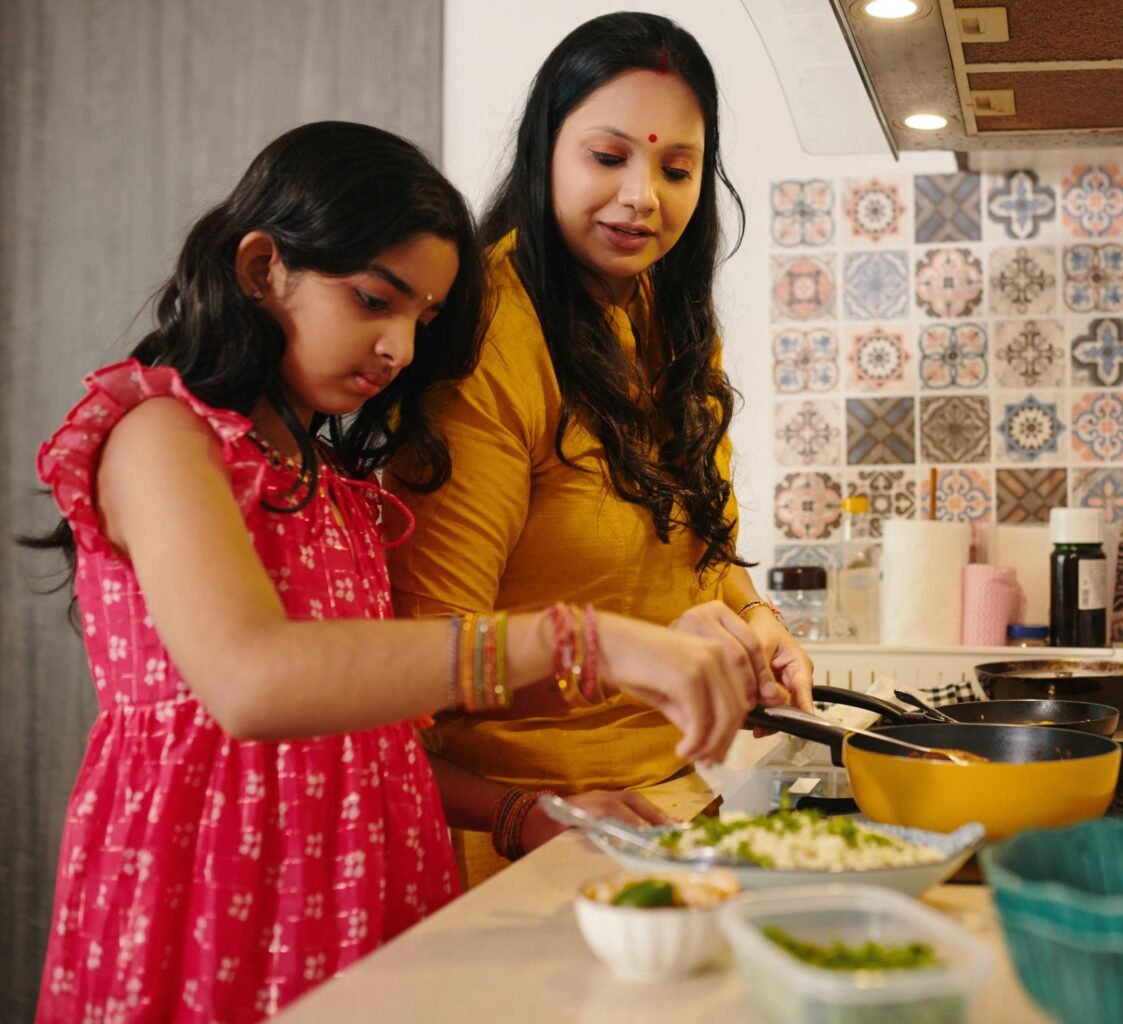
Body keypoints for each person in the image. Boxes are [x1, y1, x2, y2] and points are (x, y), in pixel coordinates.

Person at [25, 121, 759, 1024]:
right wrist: (578, 639)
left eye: (423, 319)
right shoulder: (159, 441)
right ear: (262, 268)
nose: (399, 350)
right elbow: (254, 684)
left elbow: (369, 741)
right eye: (376, 300)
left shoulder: (336, 489)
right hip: (212, 891)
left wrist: (524, 812)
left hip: (367, 886)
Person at [386, 11, 813, 886]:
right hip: (525, 843)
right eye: (608, 157)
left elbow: (686, 541)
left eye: (677, 168)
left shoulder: (665, 315)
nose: (642, 197)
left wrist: (757, 622)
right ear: (547, 149)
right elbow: (435, 654)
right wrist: (526, 810)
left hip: (669, 813)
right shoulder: (488, 335)